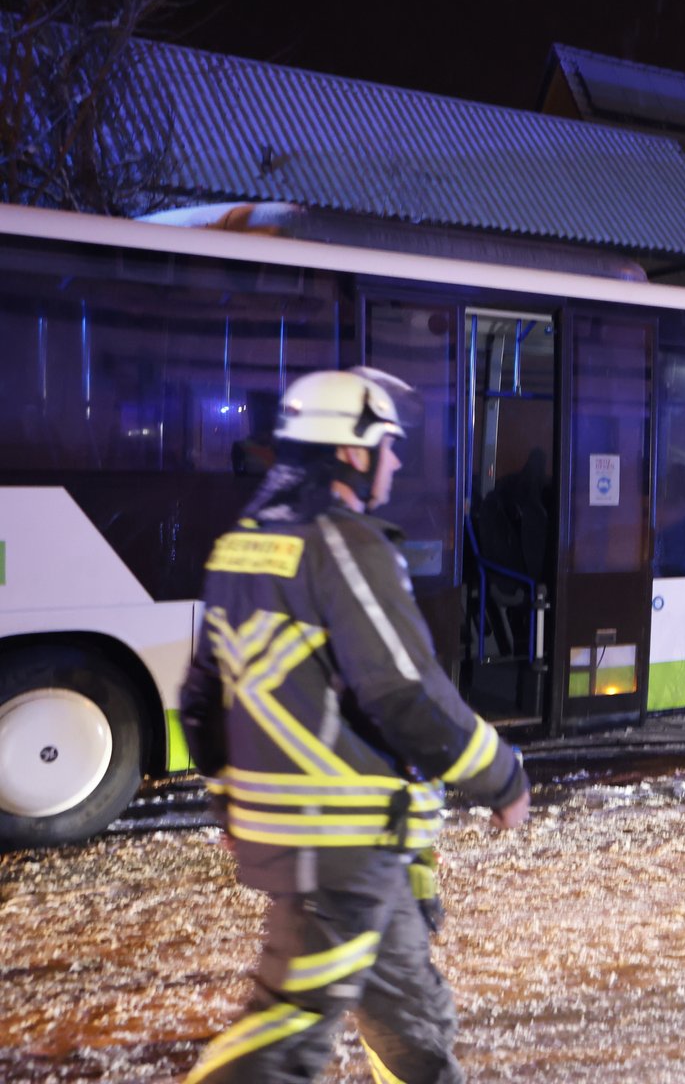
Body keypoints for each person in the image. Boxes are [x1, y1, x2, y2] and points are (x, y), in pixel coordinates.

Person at [178, 368, 530, 1084]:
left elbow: (198, 702)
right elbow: (404, 692)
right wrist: (503, 778)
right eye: (389, 447)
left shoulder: (241, 546)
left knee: (408, 1019)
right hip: (338, 841)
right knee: (282, 1040)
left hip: (351, 842)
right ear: (352, 452)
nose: (396, 463)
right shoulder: (345, 545)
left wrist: (229, 806)